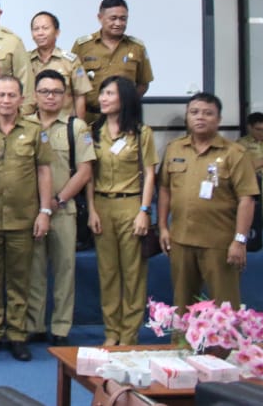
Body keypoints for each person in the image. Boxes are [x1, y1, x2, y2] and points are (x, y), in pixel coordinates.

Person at [0, 75, 51, 362]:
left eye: (11, 95)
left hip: (23, 218)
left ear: (21, 99)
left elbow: (44, 171)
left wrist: (45, 211)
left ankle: (17, 335)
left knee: (19, 280)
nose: (5, 100)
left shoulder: (35, 129)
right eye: (1, 95)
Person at [158, 93, 258, 310]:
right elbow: (164, 189)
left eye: (207, 113)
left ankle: (227, 345)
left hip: (219, 243)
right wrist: (163, 227)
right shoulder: (175, 149)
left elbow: (247, 199)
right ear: (187, 117)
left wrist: (239, 241)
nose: (200, 117)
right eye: (194, 112)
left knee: (226, 307)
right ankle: (182, 344)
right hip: (181, 240)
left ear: (218, 119)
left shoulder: (235, 153)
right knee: (182, 306)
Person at [85, 75, 157, 346]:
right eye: (102, 93)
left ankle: (129, 334)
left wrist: (144, 210)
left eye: (110, 93)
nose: (103, 98)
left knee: (133, 273)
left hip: (131, 205)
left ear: (124, 98)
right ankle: (111, 332)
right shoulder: (94, 132)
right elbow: (89, 174)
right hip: (102, 205)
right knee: (108, 272)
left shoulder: (141, 133)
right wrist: (91, 209)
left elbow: (150, 174)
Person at [25, 69, 95, 347]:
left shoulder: (76, 127)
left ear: (66, 96)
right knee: (34, 269)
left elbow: (85, 171)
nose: (50, 97)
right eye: (44, 92)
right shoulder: (26, 124)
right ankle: (35, 324)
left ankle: (61, 327)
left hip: (63, 209)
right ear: (34, 95)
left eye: (56, 92)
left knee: (65, 269)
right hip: (31, 210)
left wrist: (57, 201)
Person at [72, 0, 154, 123]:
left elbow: (143, 83)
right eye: (113, 18)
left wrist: (126, 103)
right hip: (89, 118)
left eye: (123, 19)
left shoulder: (137, 47)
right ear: (100, 18)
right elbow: (73, 83)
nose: (118, 23)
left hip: (123, 119)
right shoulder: (83, 46)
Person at [28, 11, 90, 120]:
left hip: (63, 126)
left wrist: (77, 127)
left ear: (57, 32)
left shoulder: (70, 61)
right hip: (33, 126)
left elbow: (80, 95)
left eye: (45, 28)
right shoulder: (25, 59)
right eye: (36, 29)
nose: (40, 33)